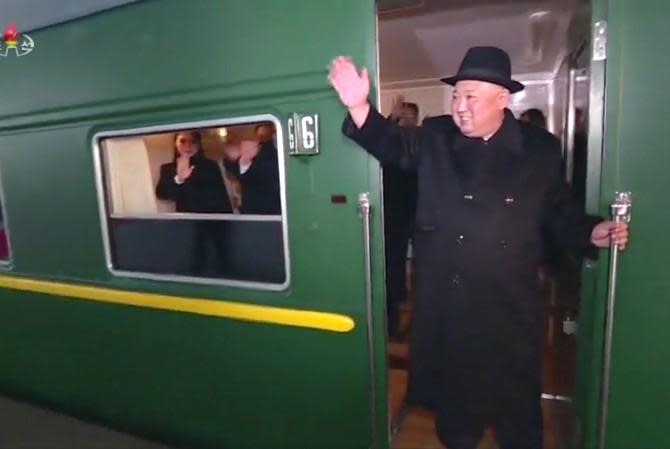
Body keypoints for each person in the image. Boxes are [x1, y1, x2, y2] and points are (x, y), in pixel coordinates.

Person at [328, 46, 629, 449]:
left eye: (471, 96)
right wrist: (360, 105)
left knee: (517, 411)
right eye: (456, 95)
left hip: (509, 304)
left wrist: (591, 231)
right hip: (448, 302)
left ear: (502, 99)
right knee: (456, 412)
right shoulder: (436, 136)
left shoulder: (539, 148)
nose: (460, 107)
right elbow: (392, 145)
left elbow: (558, 208)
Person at [155, 131, 232, 276]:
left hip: (214, 222)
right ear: (175, 143)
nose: (188, 145)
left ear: (199, 144)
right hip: (187, 225)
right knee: (192, 264)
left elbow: (221, 196)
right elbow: (162, 193)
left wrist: (228, 221)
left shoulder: (210, 166)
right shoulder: (168, 168)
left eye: (193, 141)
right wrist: (179, 178)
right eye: (182, 141)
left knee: (220, 263)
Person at [384, 96, 419, 337]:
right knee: (394, 263)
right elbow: (379, 138)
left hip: (418, 211)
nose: (404, 120)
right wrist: (391, 118)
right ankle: (393, 315)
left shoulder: (421, 140)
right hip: (395, 212)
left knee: (422, 262)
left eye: (408, 116)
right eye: (401, 116)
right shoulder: (393, 141)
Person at [224, 123, 281, 215]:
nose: (261, 138)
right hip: (255, 212)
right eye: (260, 135)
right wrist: (242, 160)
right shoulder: (257, 152)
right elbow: (236, 172)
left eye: (265, 134)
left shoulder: (274, 152)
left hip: (279, 210)